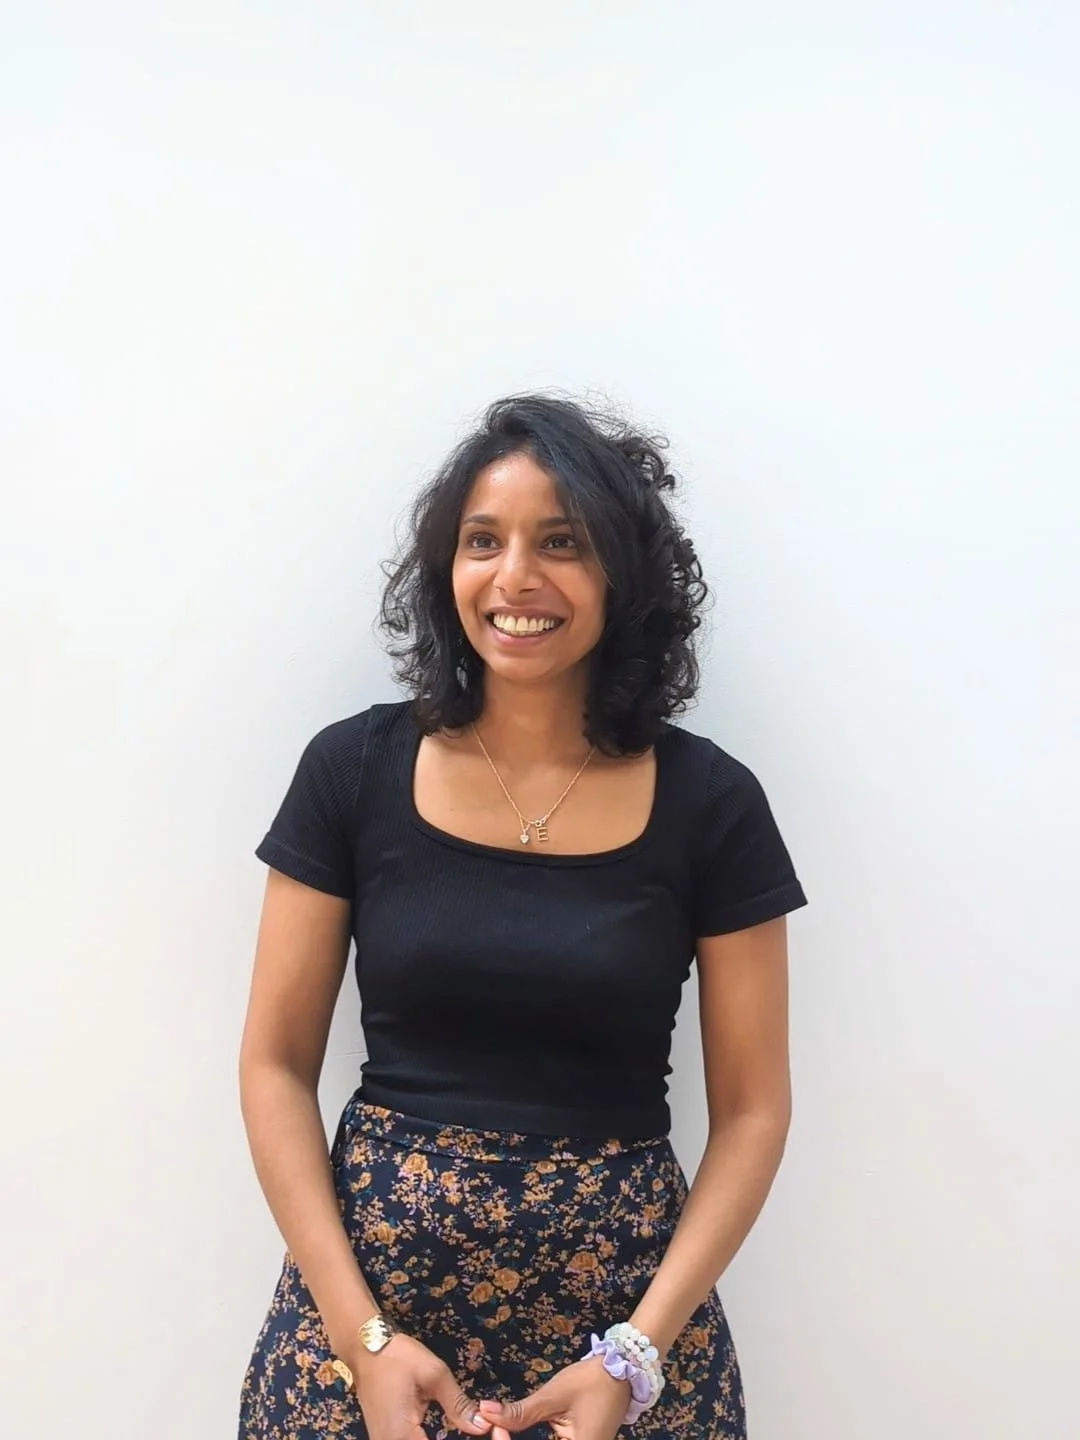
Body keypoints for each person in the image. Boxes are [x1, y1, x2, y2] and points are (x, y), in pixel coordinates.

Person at [237, 394, 808, 1440]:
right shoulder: (350, 771)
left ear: (622, 574)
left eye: (562, 543)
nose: (515, 579)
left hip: (621, 1336)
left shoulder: (713, 804)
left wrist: (635, 1357)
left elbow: (755, 1111)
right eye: (481, 542)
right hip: (368, 1325)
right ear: (443, 569)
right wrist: (362, 1340)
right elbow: (273, 1062)